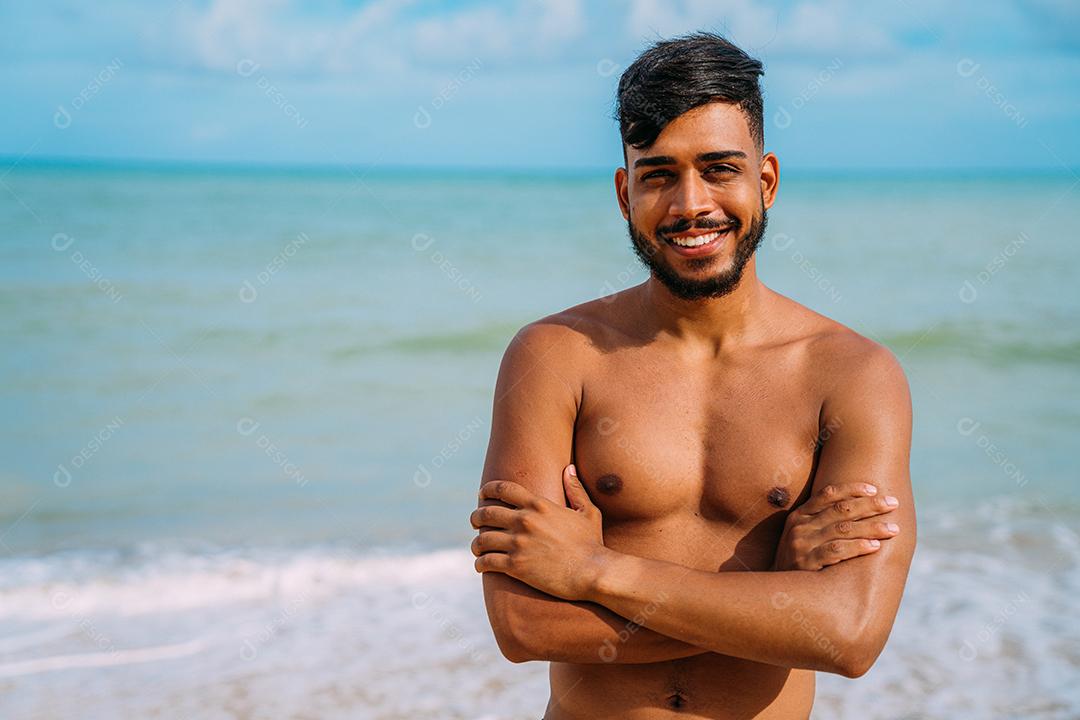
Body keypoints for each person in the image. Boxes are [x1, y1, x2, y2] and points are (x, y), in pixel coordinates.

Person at [470, 32, 914, 719]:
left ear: (764, 181)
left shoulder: (852, 375)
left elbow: (849, 634)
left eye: (718, 169)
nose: (690, 204)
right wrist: (778, 595)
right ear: (625, 193)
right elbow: (524, 627)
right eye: (658, 175)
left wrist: (594, 571)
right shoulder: (555, 356)